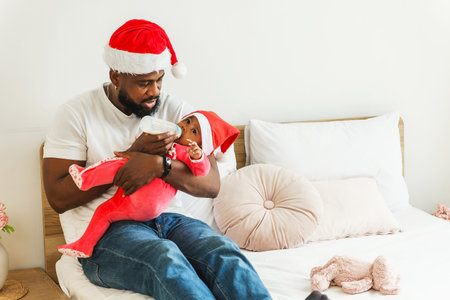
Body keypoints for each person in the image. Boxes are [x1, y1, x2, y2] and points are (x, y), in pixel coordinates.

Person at [42, 19, 272, 300]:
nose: (155, 91)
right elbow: (57, 197)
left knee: (222, 251)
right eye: (144, 83)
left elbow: (211, 184)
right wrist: (133, 158)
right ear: (116, 76)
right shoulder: (76, 113)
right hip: (108, 232)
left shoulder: (177, 111)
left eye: (160, 80)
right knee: (165, 257)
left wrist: (158, 166)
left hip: (171, 221)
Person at [58, 111, 240, 258]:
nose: (185, 128)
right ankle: (83, 246)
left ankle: (86, 177)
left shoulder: (185, 151)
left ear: (201, 144)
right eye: (187, 121)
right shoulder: (166, 139)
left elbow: (203, 173)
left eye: (193, 132)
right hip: (128, 199)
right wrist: (142, 145)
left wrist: (196, 156)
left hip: (152, 202)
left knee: (121, 162)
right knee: (103, 212)